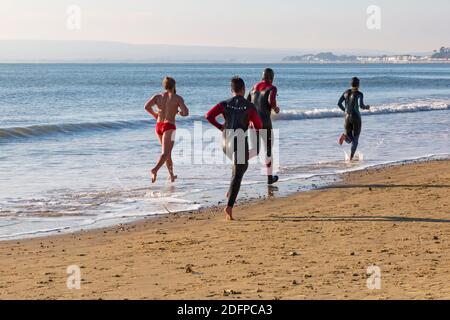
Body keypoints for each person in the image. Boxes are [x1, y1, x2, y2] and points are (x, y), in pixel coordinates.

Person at [206, 76, 263, 221]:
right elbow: (259, 126)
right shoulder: (249, 106)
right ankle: (229, 207)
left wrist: (220, 127)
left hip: (225, 142)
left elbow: (208, 116)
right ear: (244, 90)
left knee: (242, 166)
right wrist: (252, 127)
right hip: (238, 141)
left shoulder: (224, 103)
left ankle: (231, 190)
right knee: (239, 173)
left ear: (231, 90)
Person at [145, 77, 189, 183]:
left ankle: (171, 175)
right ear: (174, 85)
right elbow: (186, 112)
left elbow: (146, 107)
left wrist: (155, 115)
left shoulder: (157, 97)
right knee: (165, 152)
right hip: (169, 126)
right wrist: (178, 112)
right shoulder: (177, 98)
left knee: (167, 153)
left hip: (159, 126)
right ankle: (154, 170)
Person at [248, 68, 280, 185]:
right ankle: (269, 178)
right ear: (272, 78)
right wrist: (275, 108)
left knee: (255, 150)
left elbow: (247, 103)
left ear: (262, 77)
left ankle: (239, 161)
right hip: (265, 123)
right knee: (268, 150)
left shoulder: (254, 87)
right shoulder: (272, 87)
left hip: (252, 123)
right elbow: (271, 100)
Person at [337, 77, 371, 161]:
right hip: (356, 117)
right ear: (358, 85)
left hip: (347, 117)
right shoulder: (360, 93)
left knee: (349, 139)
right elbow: (362, 106)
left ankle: (344, 136)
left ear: (351, 84)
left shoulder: (345, 92)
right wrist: (367, 107)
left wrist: (345, 111)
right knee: (355, 139)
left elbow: (339, 103)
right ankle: (350, 158)